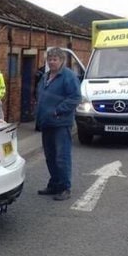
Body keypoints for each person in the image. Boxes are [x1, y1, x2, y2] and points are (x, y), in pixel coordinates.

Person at [35, 47, 81, 201]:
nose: (52, 62)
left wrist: (57, 110)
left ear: (62, 60)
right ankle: (54, 183)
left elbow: (75, 98)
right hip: (47, 122)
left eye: (55, 59)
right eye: (50, 59)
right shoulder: (45, 76)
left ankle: (65, 187)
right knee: (50, 156)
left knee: (62, 157)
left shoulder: (68, 76)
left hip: (61, 123)